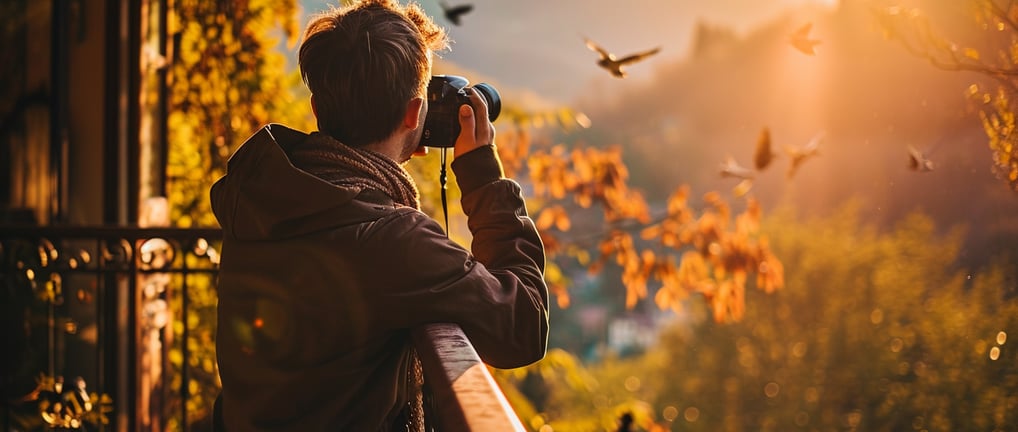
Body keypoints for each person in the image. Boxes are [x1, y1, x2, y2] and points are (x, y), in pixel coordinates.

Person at [208, 0, 549, 430]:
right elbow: (524, 325)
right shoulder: (390, 239)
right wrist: (483, 179)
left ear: (317, 108)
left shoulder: (266, 195)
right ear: (414, 114)